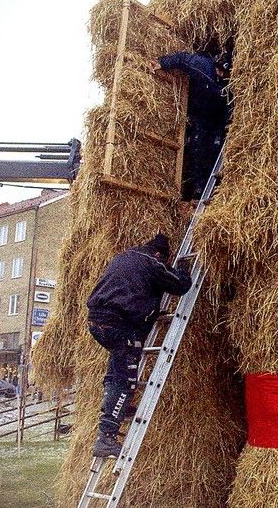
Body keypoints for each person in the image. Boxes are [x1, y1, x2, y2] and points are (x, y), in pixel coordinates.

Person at [87, 233, 193, 458]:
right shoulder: (152, 262)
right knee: (126, 382)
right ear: (158, 254)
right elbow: (180, 285)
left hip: (98, 322)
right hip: (119, 325)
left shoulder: (122, 257)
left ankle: (117, 407)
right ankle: (106, 437)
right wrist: (183, 269)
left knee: (117, 368)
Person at [153, 49, 233, 200]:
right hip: (200, 116)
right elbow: (183, 59)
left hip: (216, 121)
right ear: (214, 64)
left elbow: (230, 104)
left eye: (224, 72)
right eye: (219, 70)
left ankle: (215, 189)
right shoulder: (203, 66)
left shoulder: (229, 82)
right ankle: (199, 188)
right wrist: (162, 63)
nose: (220, 74)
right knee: (198, 148)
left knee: (215, 150)